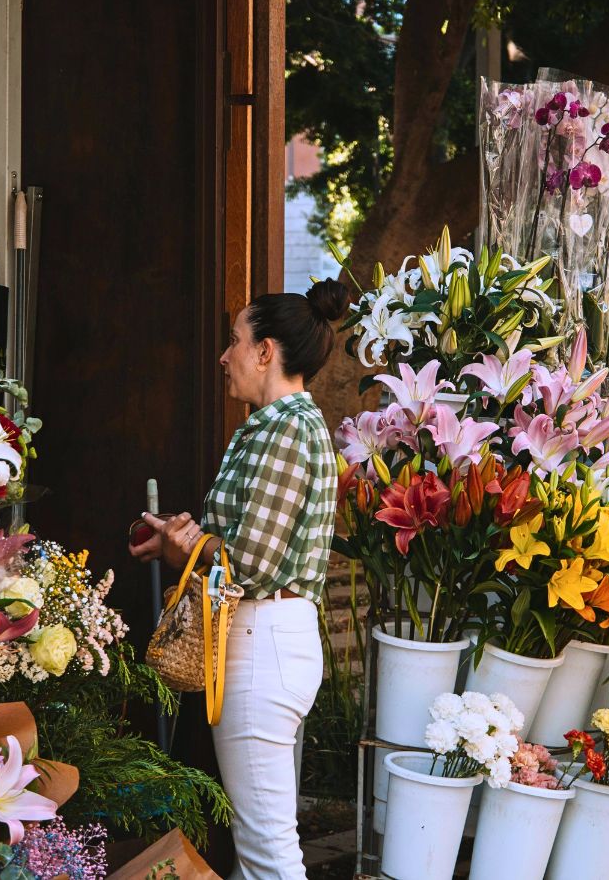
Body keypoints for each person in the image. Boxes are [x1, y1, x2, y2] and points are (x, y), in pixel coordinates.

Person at [130, 279, 350, 879]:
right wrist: (179, 538)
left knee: (268, 854)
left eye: (235, 341)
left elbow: (251, 562)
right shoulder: (276, 426)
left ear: (265, 351)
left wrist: (188, 550)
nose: (224, 356)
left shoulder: (285, 428)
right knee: (262, 846)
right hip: (264, 640)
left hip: (263, 643)